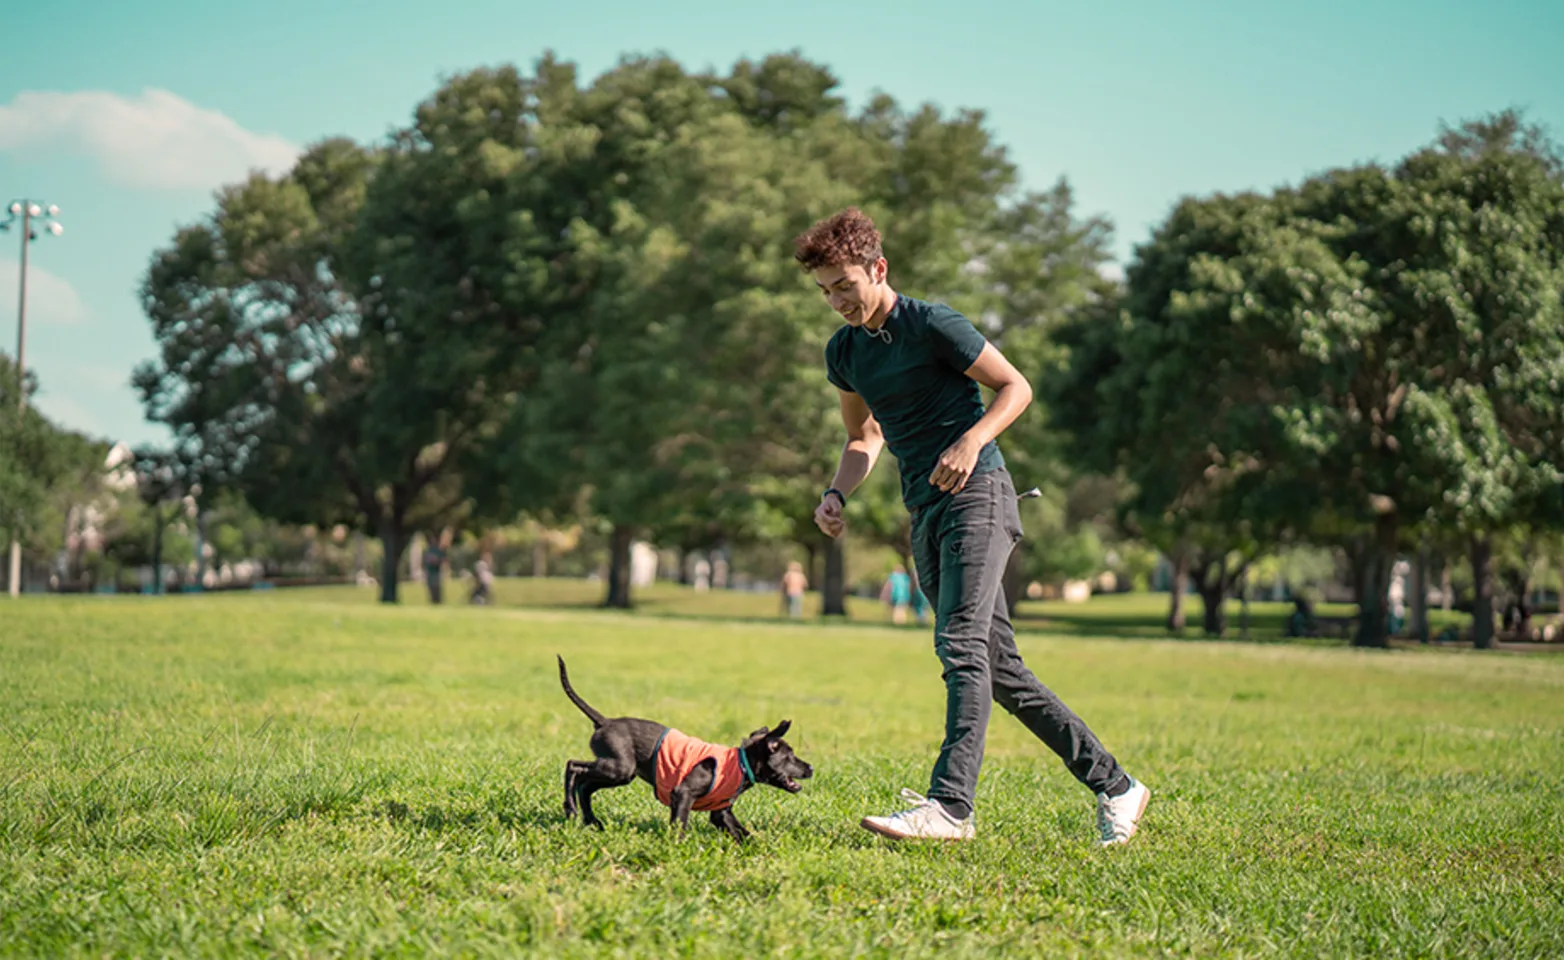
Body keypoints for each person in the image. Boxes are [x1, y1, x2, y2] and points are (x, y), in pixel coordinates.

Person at [794, 207, 1149, 846]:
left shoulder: (933, 324)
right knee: (999, 670)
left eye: (844, 284)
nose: (836, 300)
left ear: (878, 268)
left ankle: (951, 806)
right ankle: (1117, 786)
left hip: (979, 493)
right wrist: (836, 493)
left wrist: (972, 439)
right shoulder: (844, 352)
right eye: (825, 291)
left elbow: (1016, 387)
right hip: (924, 509)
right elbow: (863, 434)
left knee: (958, 646)